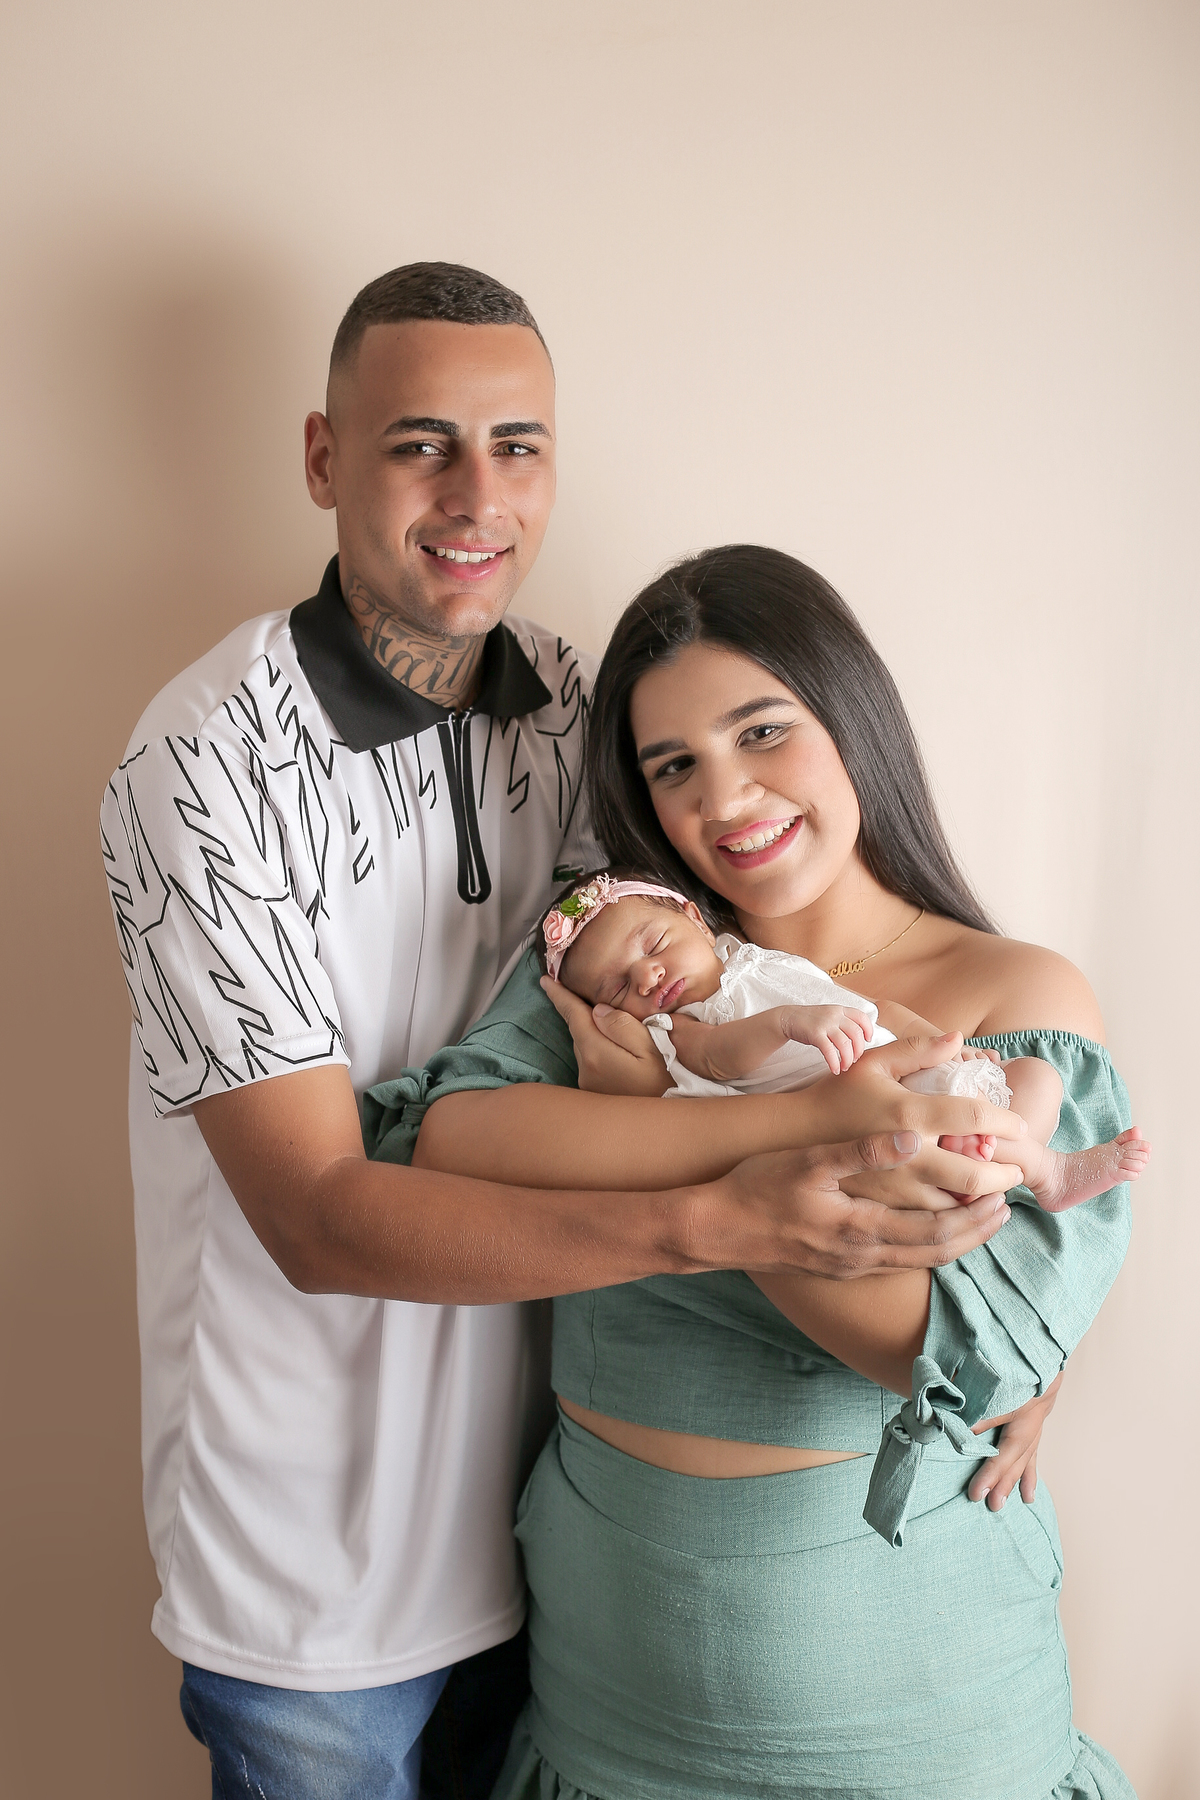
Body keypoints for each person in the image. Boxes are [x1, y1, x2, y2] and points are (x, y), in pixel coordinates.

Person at [99, 271, 1030, 1800]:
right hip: (310, 1585)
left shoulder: (583, 709)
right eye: (421, 444)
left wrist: (1023, 1319)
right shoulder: (205, 762)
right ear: (325, 460)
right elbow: (316, 1217)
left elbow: (724, 1005)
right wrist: (716, 1218)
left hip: (553, 1543)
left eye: (517, 446)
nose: (477, 496)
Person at [368, 545, 1135, 1797]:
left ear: (852, 716)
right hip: (607, 1701)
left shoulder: (1008, 994)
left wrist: (634, 1123)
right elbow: (454, 1147)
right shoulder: (627, 953)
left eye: (762, 731)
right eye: (673, 765)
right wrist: (783, 1123)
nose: (724, 800)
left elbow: (926, 1344)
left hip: (918, 1701)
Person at [539, 867, 1150, 1214]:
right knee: (932, 1145)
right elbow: (718, 1062)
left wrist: (943, 1044)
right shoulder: (682, 1026)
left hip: (902, 1067)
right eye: (618, 988)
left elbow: (875, 1010)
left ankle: (1002, 1158)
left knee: (1037, 1079)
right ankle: (1045, 1173)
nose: (647, 978)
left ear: (694, 920)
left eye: (653, 946)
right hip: (848, 1117)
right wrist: (784, 1024)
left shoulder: (753, 959)